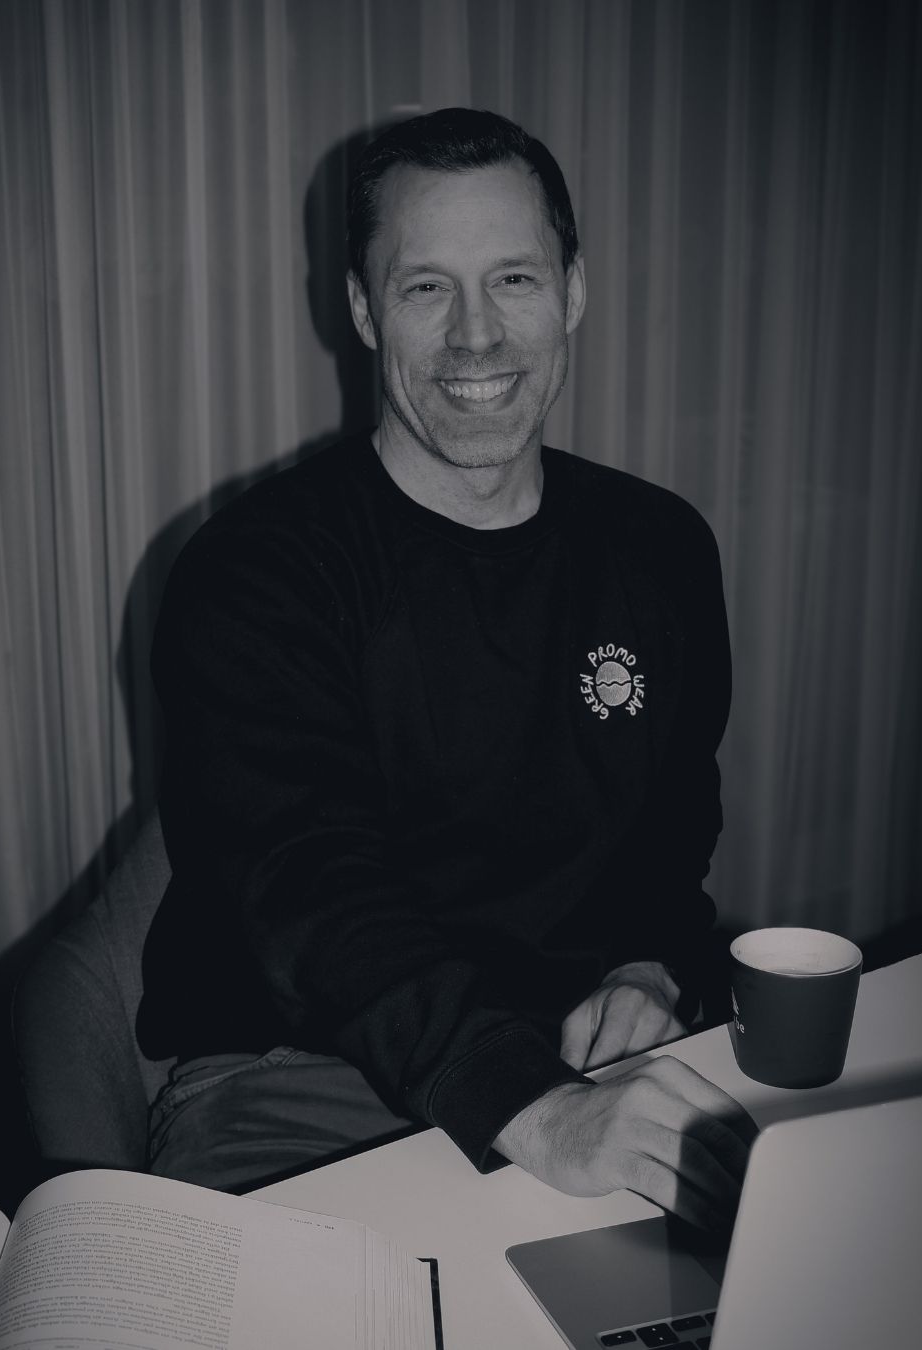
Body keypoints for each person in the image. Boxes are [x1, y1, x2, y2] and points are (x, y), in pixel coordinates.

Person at [138, 107, 756, 1229]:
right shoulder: (259, 573)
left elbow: (676, 824)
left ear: (572, 292)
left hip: (578, 1054)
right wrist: (531, 1106)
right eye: (427, 287)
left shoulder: (661, 548)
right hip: (305, 1074)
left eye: (514, 279)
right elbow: (312, 893)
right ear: (364, 309)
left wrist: (650, 965)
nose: (478, 335)